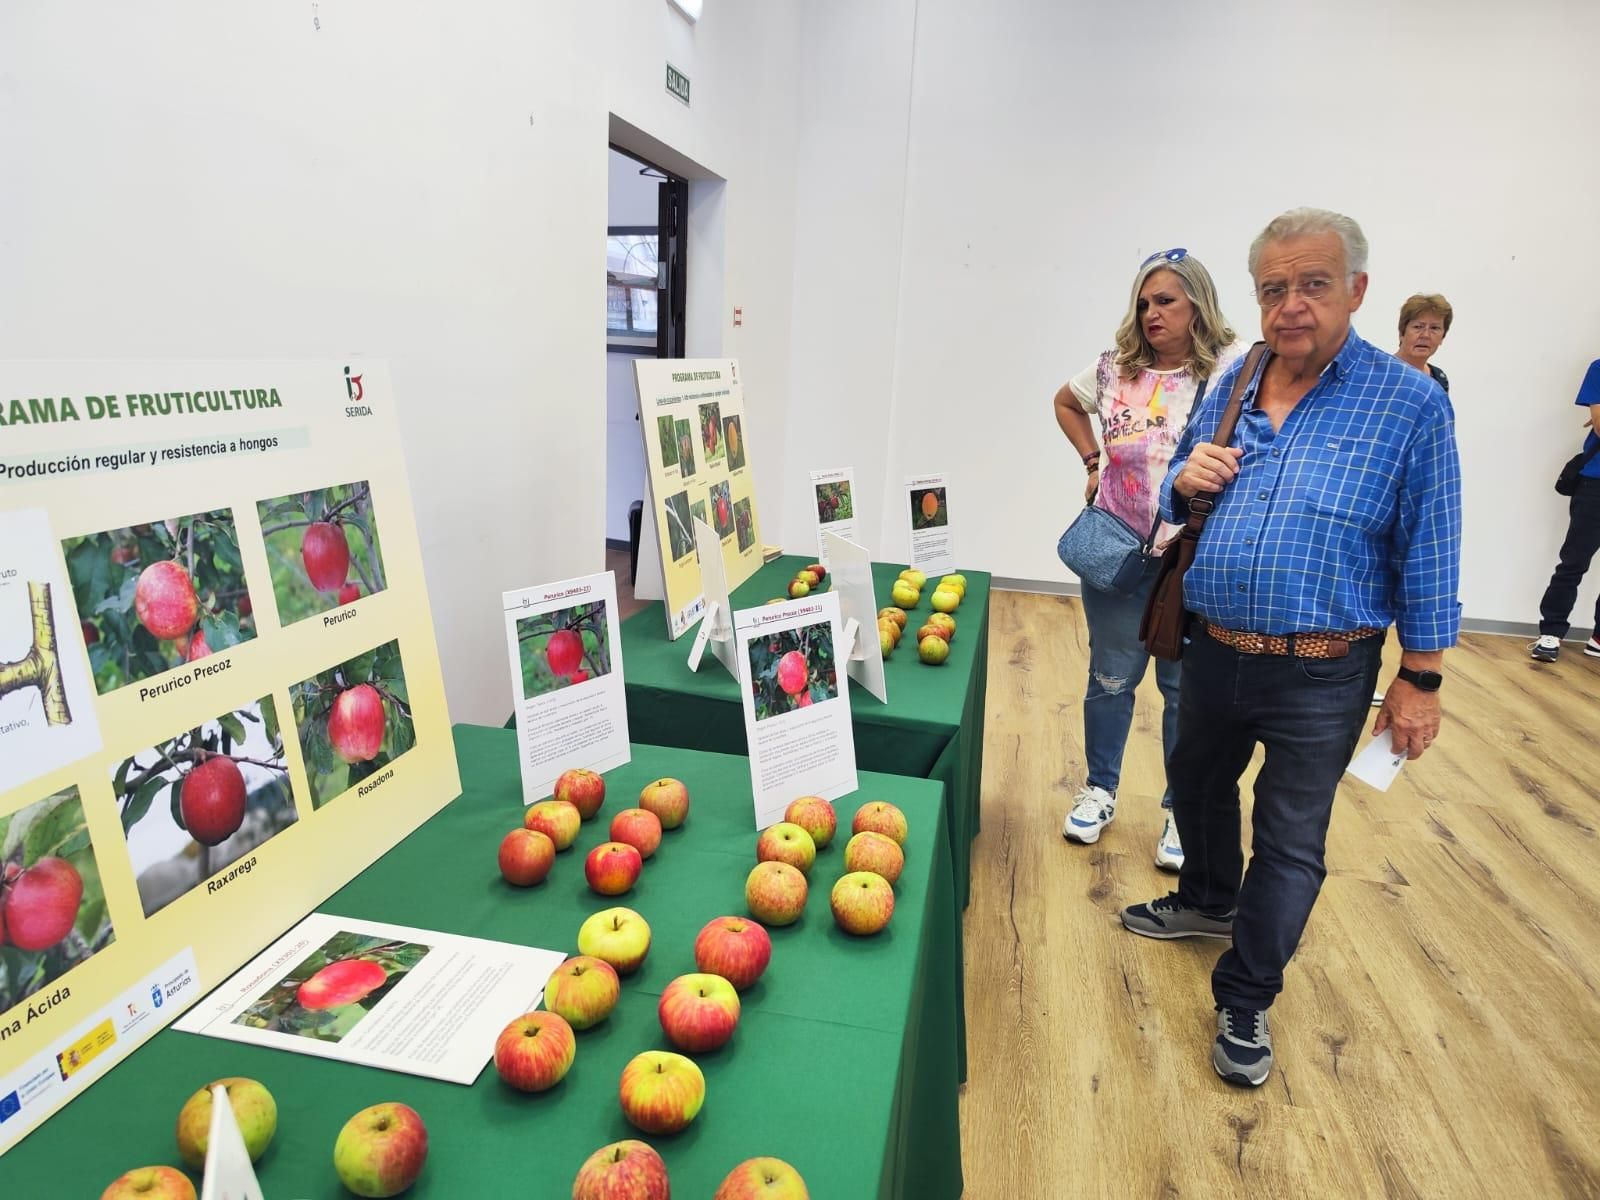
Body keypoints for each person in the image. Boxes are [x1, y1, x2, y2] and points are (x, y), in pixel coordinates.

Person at [1119, 208, 1462, 1087]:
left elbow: (1430, 545)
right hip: (1214, 647)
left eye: (1313, 284)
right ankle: (1205, 900)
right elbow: (1172, 499)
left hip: (1324, 668)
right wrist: (1181, 481)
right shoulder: (1236, 377)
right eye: (1274, 288)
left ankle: (1247, 996)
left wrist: (1418, 678)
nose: (1292, 305)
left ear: (1356, 290)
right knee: (1194, 786)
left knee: (1291, 839)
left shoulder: (1411, 404)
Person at [1052, 249, 1244, 870]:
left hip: (1191, 557)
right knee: (1110, 677)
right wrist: (1091, 463)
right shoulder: (1114, 369)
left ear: (1198, 303)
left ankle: (1180, 809)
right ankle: (1100, 789)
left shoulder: (1229, 373)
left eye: (1166, 300)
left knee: (1183, 687)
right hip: (1118, 551)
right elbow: (1064, 401)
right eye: (1144, 302)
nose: (1152, 313)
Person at [1530, 359, 1600, 662]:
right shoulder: (1599, 368)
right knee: (1573, 561)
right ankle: (1552, 632)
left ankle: (1598, 638)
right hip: (1595, 484)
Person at [1395, 293, 1453, 391]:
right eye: (1418, 327)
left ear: (1443, 336)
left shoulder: (1439, 379)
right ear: (1402, 333)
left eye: (1434, 328)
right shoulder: (1382, 373)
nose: (1426, 335)